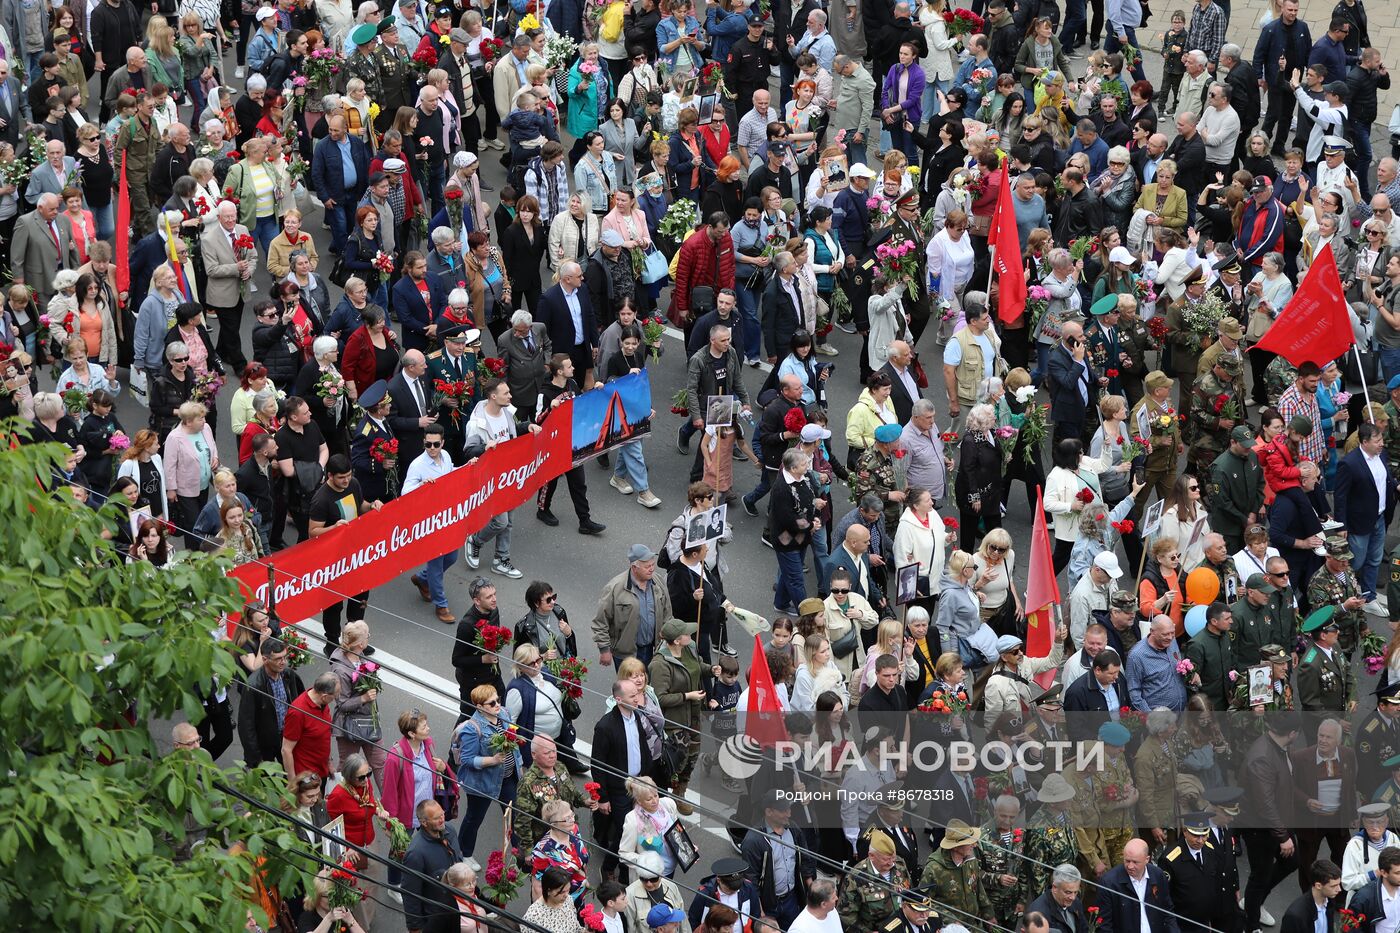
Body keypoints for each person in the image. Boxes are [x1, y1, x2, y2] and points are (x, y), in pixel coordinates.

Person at [236, 638, 305, 768]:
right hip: (265, 743)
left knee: (291, 777)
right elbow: (246, 725)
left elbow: (301, 702)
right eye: (278, 659)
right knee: (266, 780)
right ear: (265, 660)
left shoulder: (289, 675)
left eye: (284, 657)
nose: (283, 662)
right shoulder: (253, 685)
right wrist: (254, 757)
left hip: (287, 737)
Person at [280, 671, 338, 787]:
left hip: (321, 771)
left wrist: (329, 763)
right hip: (305, 778)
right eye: (336, 695)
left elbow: (324, 736)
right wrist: (293, 782)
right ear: (325, 696)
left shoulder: (322, 703)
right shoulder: (297, 712)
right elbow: (286, 750)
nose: (337, 697)